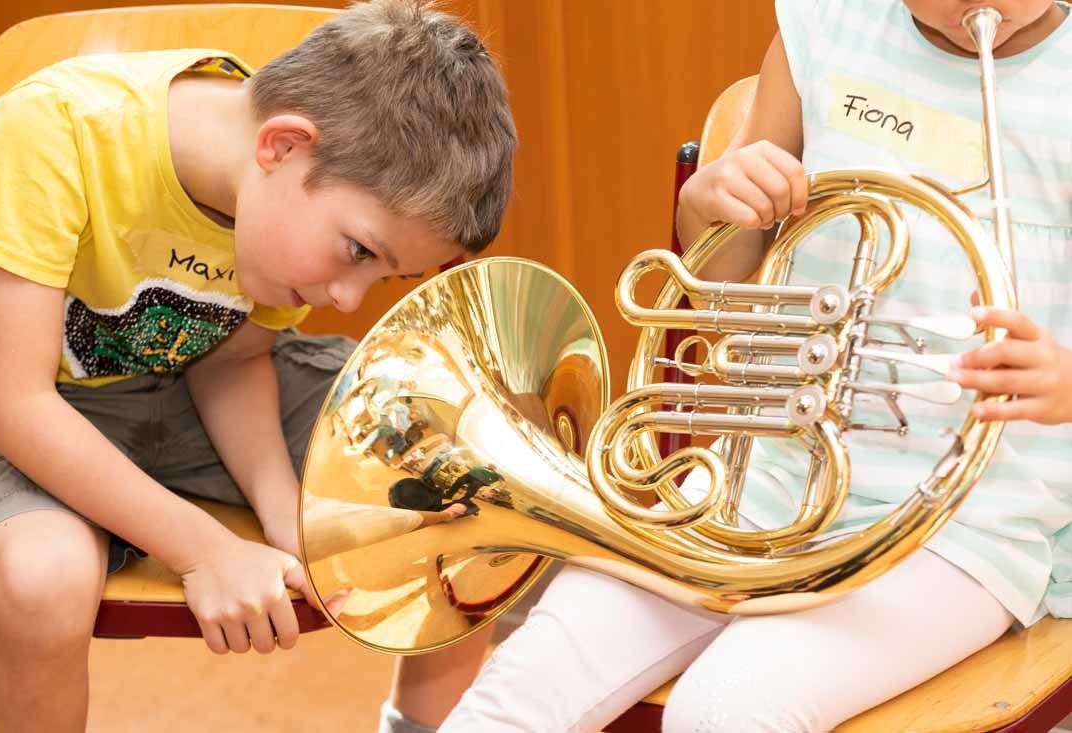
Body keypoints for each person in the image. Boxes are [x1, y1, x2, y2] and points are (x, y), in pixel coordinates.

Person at [439, 1, 1072, 731]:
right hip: (764, 479)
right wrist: (713, 207)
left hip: (968, 527)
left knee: (727, 708)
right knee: (529, 677)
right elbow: (719, 290)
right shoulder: (825, 30)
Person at [0, 1, 515, 731]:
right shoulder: (56, 127)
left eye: (381, 276)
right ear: (281, 146)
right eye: (358, 250)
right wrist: (203, 551)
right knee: (42, 577)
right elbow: (17, 403)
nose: (349, 300)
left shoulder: (287, 207)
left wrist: (287, 514)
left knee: (469, 463)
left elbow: (233, 363)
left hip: (187, 387)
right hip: (29, 406)